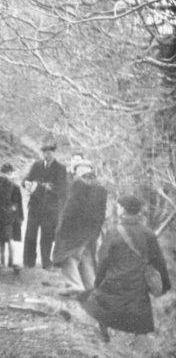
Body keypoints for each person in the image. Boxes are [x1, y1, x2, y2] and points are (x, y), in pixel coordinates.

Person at [82, 195, 171, 342]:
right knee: (140, 308)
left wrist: (98, 282)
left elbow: (103, 261)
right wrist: (165, 285)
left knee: (98, 300)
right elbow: (159, 262)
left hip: (114, 283)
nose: (117, 208)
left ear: (123, 210)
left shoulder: (113, 233)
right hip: (138, 285)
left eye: (118, 206)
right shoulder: (148, 234)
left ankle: (104, 332)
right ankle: (138, 341)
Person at [52, 160, 107, 291]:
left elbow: (71, 209)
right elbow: (101, 214)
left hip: (74, 230)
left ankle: (74, 286)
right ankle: (91, 287)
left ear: (80, 170)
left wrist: (61, 230)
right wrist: (96, 231)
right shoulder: (101, 188)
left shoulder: (77, 184)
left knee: (67, 257)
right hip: (91, 232)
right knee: (85, 258)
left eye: (78, 169)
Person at [22, 142, 67, 269]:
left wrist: (49, 187)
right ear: (42, 153)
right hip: (35, 205)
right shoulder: (36, 165)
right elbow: (27, 179)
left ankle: (46, 262)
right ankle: (28, 261)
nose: (47, 154)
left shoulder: (60, 168)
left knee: (47, 236)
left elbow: (62, 188)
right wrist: (26, 183)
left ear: (54, 152)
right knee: (30, 234)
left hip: (50, 208)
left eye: (50, 152)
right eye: (45, 152)